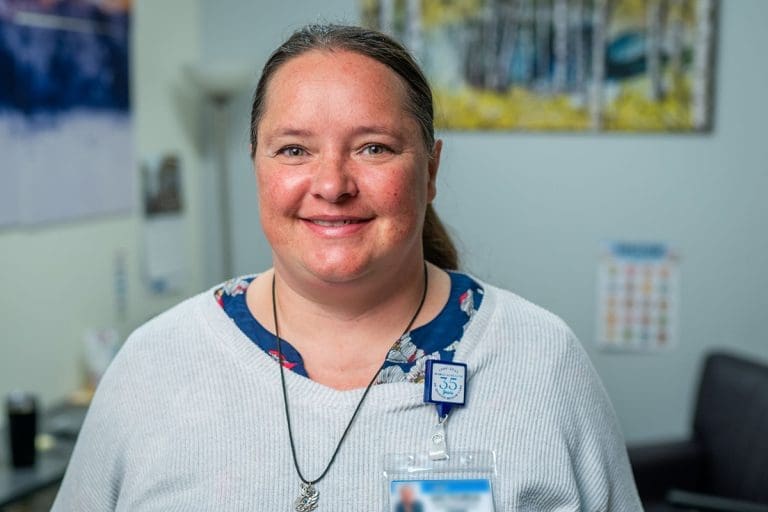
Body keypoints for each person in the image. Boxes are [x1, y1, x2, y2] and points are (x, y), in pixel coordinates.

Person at [53, 24, 642, 510]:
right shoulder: (152, 367)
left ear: (431, 171)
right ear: (255, 164)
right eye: (294, 150)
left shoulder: (542, 363)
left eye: (374, 148)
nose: (332, 185)